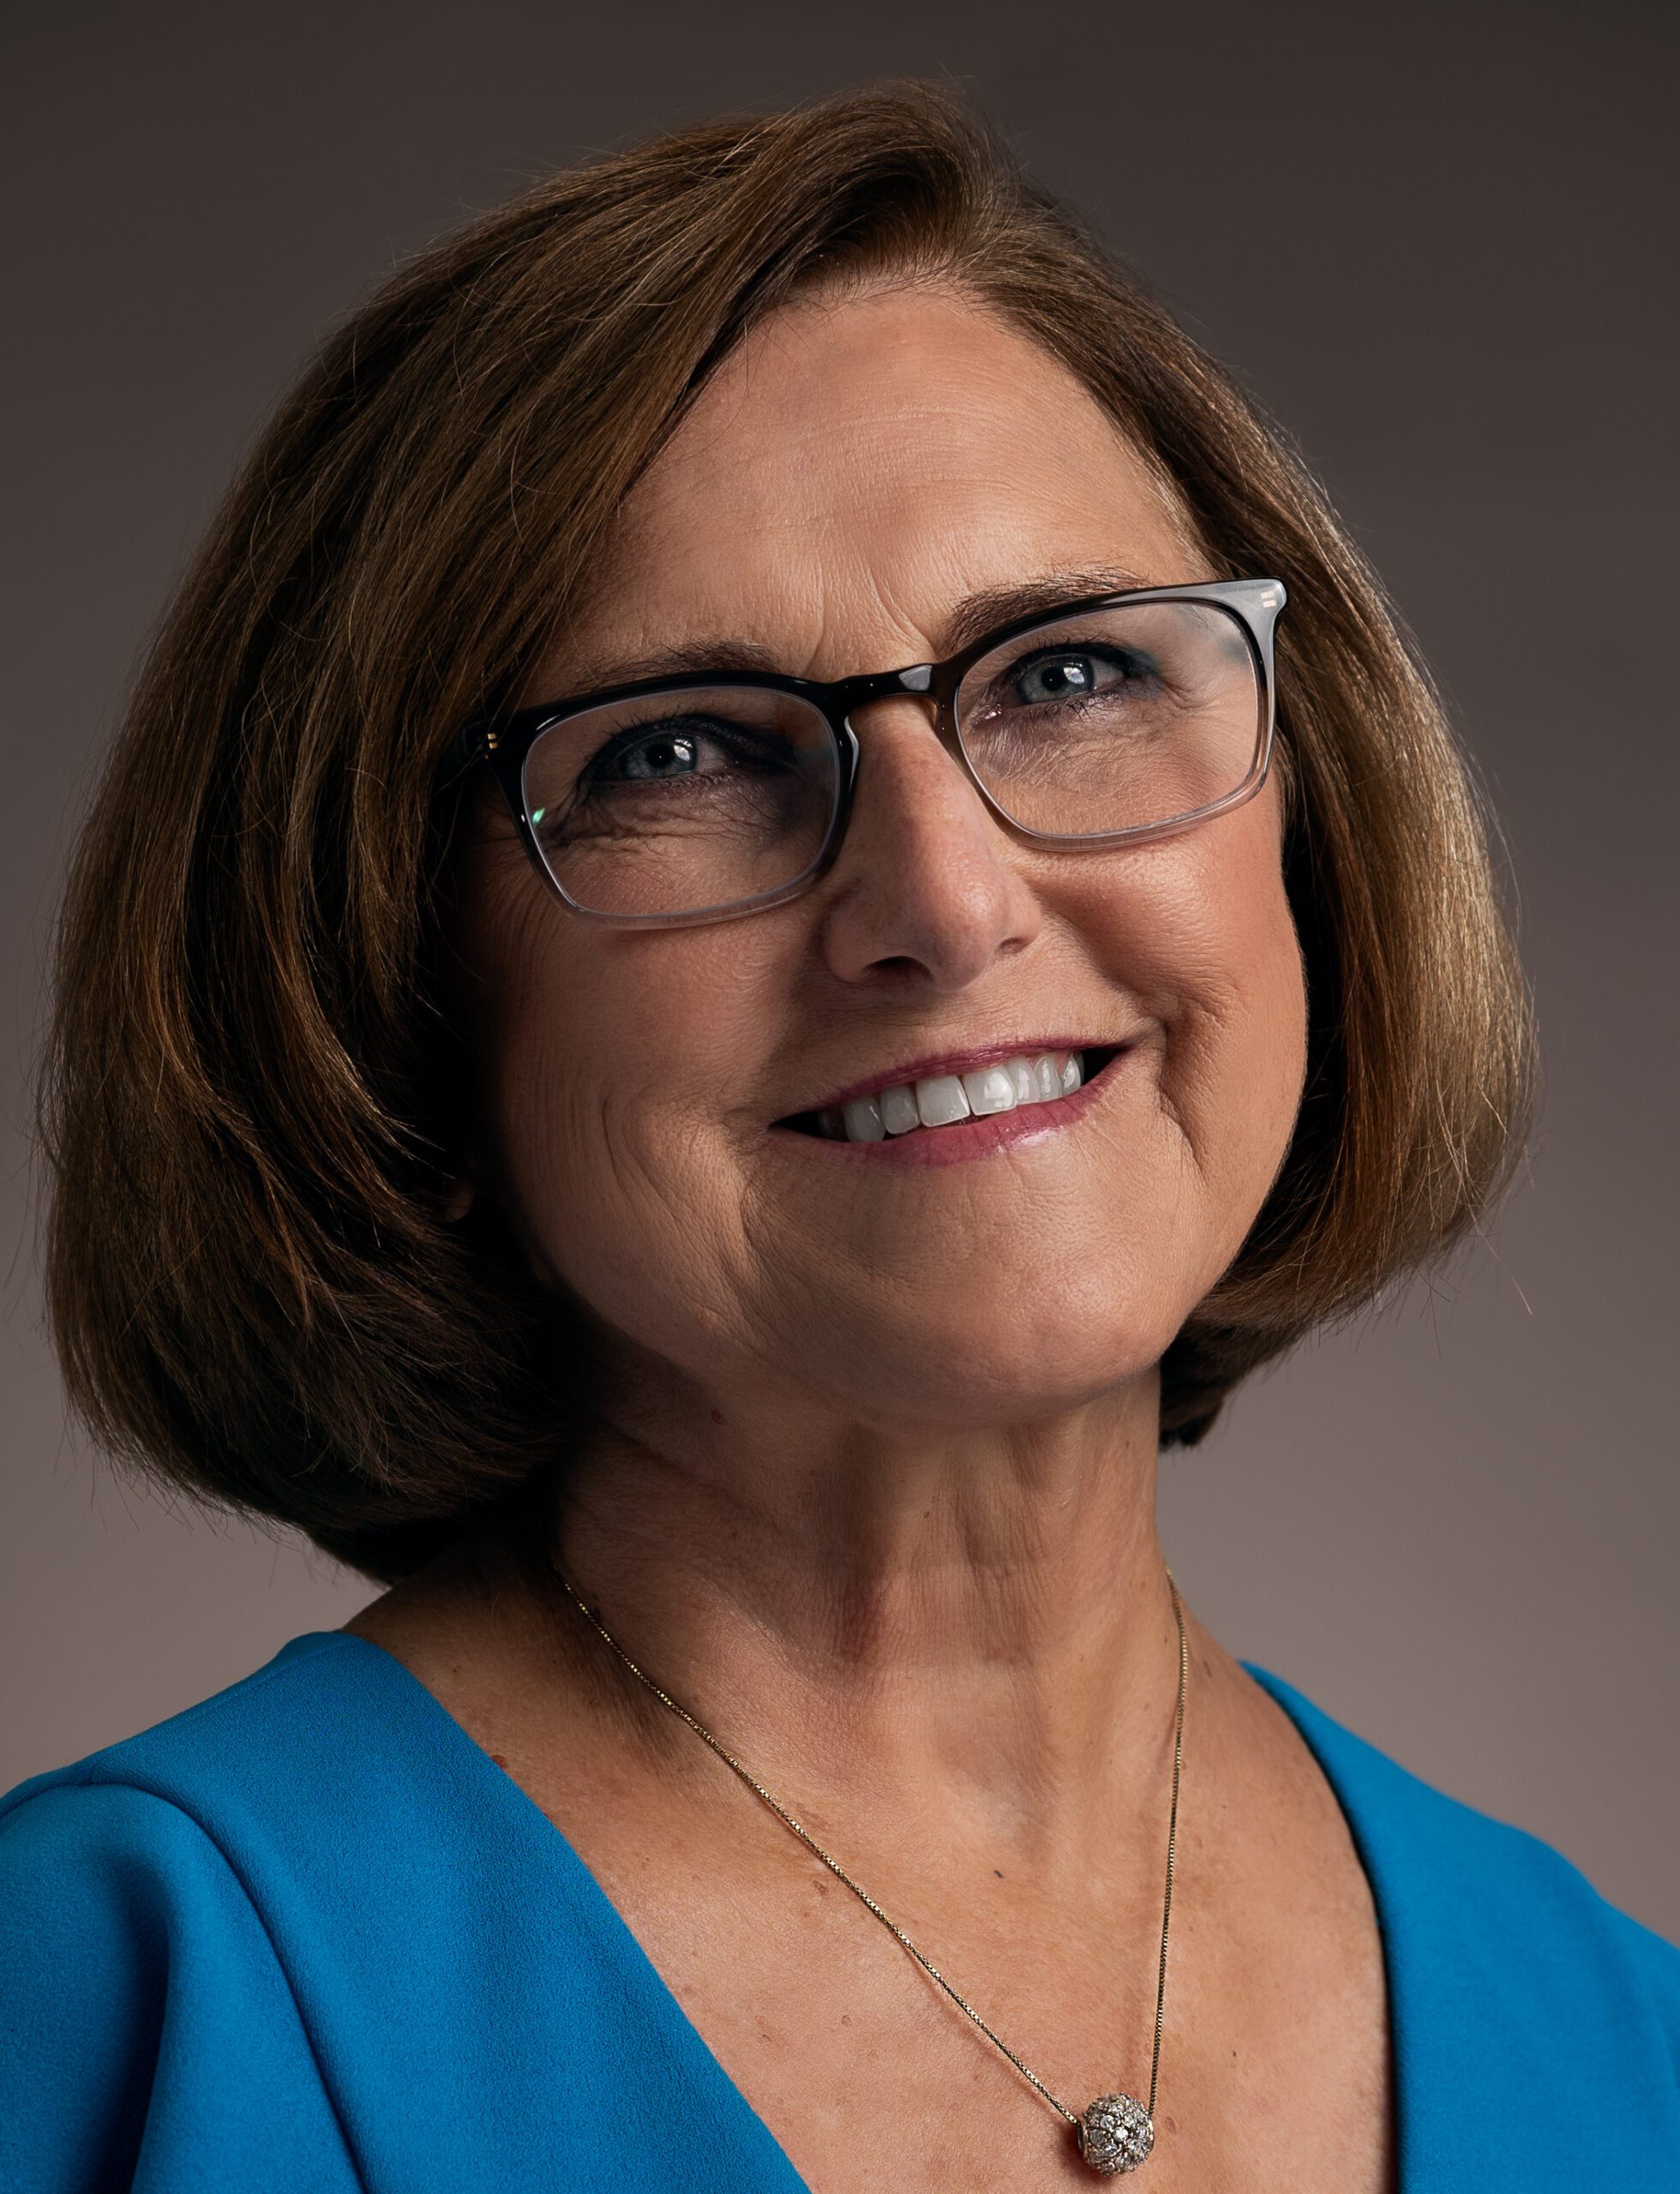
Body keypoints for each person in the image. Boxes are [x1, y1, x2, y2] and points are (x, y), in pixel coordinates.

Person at [3, 85, 1675, 2194]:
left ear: (1308, 829)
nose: (946, 901)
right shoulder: (119, 2005)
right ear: (390, 981)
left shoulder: (1631, 2048)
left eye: (1066, 671)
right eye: (680, 748)